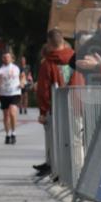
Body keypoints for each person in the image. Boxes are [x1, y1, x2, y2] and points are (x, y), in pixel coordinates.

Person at [33, 29, 75, 176]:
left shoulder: (48, 63)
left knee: (54, 138)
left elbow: (43, 90)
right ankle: (76, 169)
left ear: (49, 44)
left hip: (55, 108)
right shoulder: (76, 58)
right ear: (63, 41)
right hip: (75, 104)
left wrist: (43, 112)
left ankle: (57, 170)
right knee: (75, 139)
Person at [0, 52, 23, 144]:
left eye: (8, 57)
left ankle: (14, 133)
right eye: (4, 57)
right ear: (2, 59)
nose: (6, 58)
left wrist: (22, 83)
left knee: (12, 112)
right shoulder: (0, 69)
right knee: (6, 115)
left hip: (15, 92)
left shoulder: (16, 68)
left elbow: (22, 77)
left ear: (12, 58)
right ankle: (7, 134)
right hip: (4, 93)